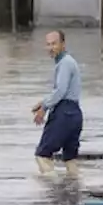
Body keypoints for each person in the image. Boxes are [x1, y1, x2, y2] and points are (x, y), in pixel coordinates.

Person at [31, 30, 83, 176]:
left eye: (54, 44)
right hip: (75, 115)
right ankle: (75, 190)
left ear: (63, 44)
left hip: (63, 115)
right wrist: (43, 103)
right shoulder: (69, 62)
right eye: (48, 44)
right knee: (70, 159)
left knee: (42, 156)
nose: (51, 48)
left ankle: (53, 189)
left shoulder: (65, 63)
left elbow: (60, 91)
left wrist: (45, 107)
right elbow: (66, 91)